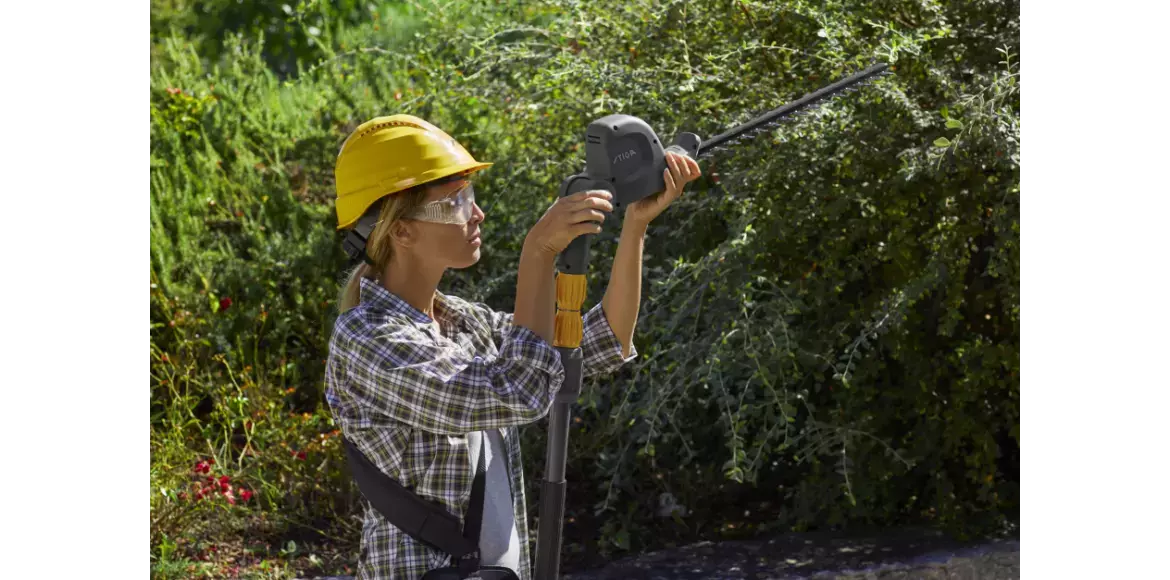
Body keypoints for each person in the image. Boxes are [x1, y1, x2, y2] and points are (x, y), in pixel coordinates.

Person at [325, 114, 701, 579]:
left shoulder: (460, 322)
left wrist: (636, 226)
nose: (476, 213)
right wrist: (538, 253)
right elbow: (519, 391)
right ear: (400, 231)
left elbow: (599, 341)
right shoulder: (370, 340)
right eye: (455, 201)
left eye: (471, 194)